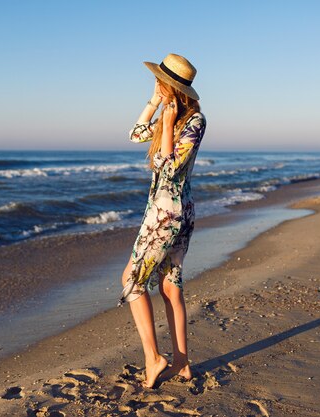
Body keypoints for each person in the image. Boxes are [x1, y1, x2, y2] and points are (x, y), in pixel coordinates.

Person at [117, 53, 207, 388]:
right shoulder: (171, 113)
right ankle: (182, 364)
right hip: (175, 212)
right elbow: (135, 134)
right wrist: (153, 104)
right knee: (169, 286)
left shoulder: (194, 122)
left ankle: (154, 359)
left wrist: (167, 127)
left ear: (173, 86)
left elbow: (168, 169)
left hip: (166, 215)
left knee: (132, 281)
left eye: (159, 82)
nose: (156, 84)